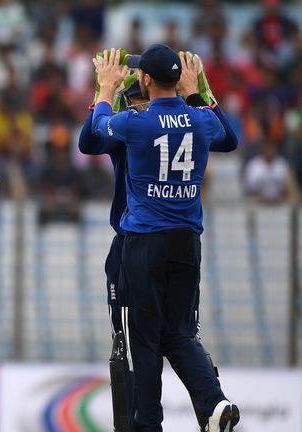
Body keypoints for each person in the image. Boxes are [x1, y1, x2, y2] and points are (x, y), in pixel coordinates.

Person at [80, 50, 238, 432]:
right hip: (187, 240)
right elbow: (229, 138)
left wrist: (105, 86)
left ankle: (147, 425)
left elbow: (91, 135)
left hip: (144, 242)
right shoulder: (200, 119)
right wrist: (198, 89)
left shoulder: (133, 124)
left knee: (144, 341)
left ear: (147, 82)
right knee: (180, 334)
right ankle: (214, 404)